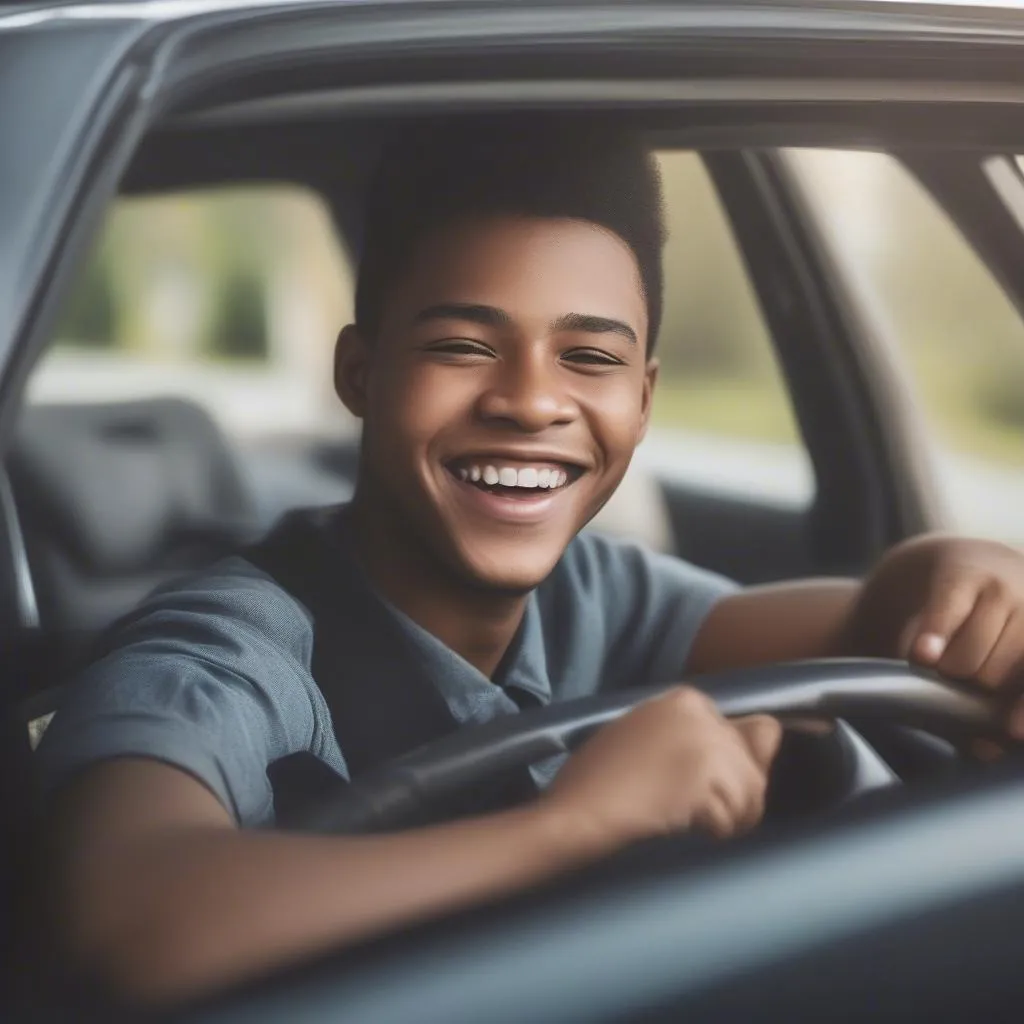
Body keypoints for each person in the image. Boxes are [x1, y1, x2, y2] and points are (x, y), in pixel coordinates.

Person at [37, 118, 1024, 1004]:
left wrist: (941, 574)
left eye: (588, 359)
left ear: (643, 398)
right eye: (465, 345)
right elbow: (132, 920)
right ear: (359, 372)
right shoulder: (221, 650)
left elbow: (864, 628)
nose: (530, 400)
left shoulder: (600, 590)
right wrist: (573, 827)